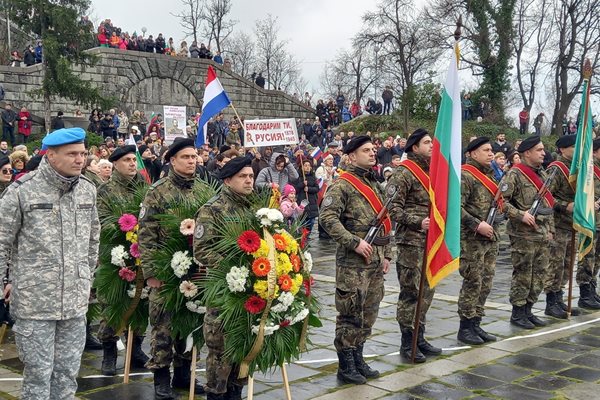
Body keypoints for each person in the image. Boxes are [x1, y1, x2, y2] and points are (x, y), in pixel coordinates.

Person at [0, 127, 100, 400]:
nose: (80, 159)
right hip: (36, 304)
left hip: (74, 305)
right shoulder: (22, 191)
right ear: (52, 156)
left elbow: (93, 239)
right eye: (72, 154)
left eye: (82, 153)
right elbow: (1, 243)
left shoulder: (87, 191)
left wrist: (86, 277)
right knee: (38, 377)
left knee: (67, 376)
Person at [319, 136, 392, 384]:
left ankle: (359, 357)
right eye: (366, 150)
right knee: (350, 313)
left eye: (374, 149)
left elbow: (384, 222)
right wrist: (354, 242)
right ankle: (346, 364)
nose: (373, 154)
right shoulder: (343, 185)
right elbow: (327, 219)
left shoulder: (374, 184)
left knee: (369, 312)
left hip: (375, 259)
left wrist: (387, 255)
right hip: (353, 263)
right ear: (351, 156)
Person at [139, 138, 206, 399]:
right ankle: (160, 378)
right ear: (172, 161)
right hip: (166, 272)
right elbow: (146, 235)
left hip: (194, 272)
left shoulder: (203, 190)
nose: (192, 161)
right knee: (163, 327)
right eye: (186, 157)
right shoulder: (157, 192)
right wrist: (151, 273)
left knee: (189, 324)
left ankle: (183, 374)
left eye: (194, 157)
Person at [193, 156, 254, 400]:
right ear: (228, 180)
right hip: (223, 290)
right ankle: (216, 394)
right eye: (243, 176)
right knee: (219, 347)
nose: (249, 180)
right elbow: (201, 249)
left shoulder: (254, 208)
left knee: (244, 341)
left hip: (251, 290)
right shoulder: (213, 209)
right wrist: (233, 268)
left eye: (250, 176)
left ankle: (235, 392)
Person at [387, 128, 441, 363]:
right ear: (414, 147)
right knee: (411, 293)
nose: (432, 145)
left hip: (431, 241)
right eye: (427, 142)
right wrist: (418, 222)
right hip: (411, 241)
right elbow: (392, 209)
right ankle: (407, 342)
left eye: (432, 142)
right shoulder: (404, 172)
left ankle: (419, 337)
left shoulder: (434, 172)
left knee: (427, 291)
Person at [96, 146, 150, 376]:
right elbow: (100, 221)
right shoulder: (105, 191)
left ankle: (135, 347)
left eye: (133, 160)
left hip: (141, 253)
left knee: (140, 303)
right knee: (114, 303)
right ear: (115, 164)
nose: (131, 164)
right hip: (115, 255)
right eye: (126, 160)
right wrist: (124, 230)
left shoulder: (145, 188)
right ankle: (109, 351)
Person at [501, 136, 554, 329]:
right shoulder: (514, 174)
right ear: (527, 153)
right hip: (522, 234)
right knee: (523, 274)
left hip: (542, 233)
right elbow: (500, 202)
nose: (543, 153)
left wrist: (551, 230)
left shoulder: (543, 175)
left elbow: (549, 205)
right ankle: (518, 313)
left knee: (539, 274)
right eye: (539, 150)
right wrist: (520, 214)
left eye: (543, 149)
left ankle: (529, 310)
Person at [456, 137, 502, 345]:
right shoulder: (466, 175)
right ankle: (465, 327)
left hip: (490, 237)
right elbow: (455, 207)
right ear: (473, 154)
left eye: (491, 150)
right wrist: (476, 224)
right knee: (473, 282)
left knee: (486, 281)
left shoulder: (491, 175)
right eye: (486, 150)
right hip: (472, 239)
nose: (491, 153)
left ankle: (476, 323)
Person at [545, 135, 596, 314]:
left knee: (567, 265)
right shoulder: (556, 169)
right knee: (555, 265)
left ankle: (559, 300)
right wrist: (565, 206)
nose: (578, 151)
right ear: (563, 149)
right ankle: (551, 302)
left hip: (571, 224)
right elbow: (545, 197)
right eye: (574, 147)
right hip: (558, 224)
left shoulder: (576, 168)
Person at [293, 157, 319, 233]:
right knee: (302, 224)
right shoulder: (298, 177)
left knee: (311, 224)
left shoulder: (313, 177)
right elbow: (295, 190)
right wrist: (302, 184)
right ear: (302, 167)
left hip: (312, 204)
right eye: (305, 165)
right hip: (302, 203)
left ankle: (307, 236)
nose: (307, 167)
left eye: (309, 166)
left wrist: (309, 189)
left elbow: (317, 188)